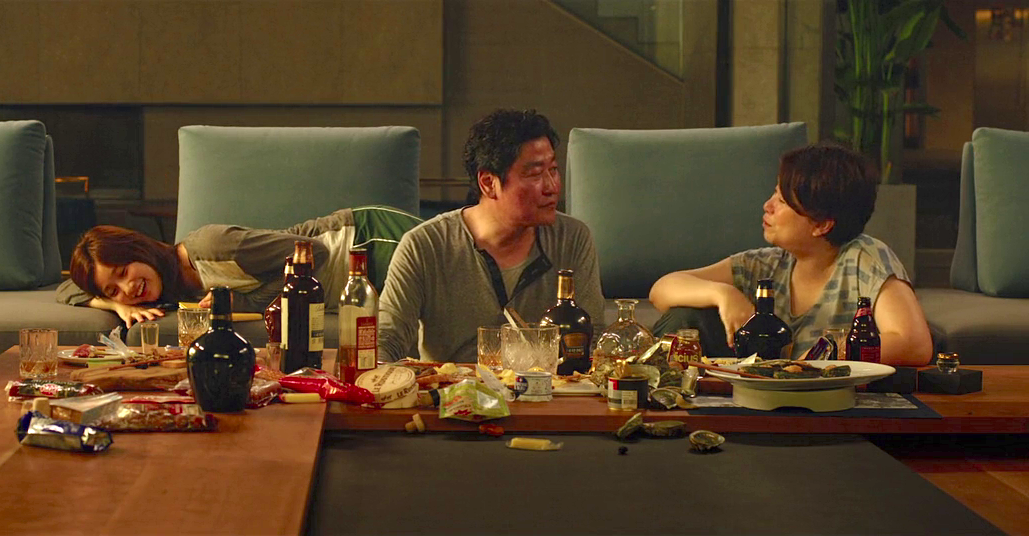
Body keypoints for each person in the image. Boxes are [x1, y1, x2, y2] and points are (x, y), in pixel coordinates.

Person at [647, 144, 932, 366]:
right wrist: (723, 294)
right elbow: (663, 289)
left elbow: (913, 343)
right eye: (774, 194)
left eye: (782, 201)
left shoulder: (865, 258)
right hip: (753, 393)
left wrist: (822, 356)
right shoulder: (766, 264)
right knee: (684, 317)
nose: (767, 206)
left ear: (821, 224)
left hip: (829, 399)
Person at [377, 109, 605, 363]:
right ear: (488, 183)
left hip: (548, 386)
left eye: (553, 170)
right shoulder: (424, 245)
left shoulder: (572, 238)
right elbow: (387, 340)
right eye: (535, 174)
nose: (551, 187)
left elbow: (593, 339)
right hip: (451, 385)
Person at [57, 206, 422, 326]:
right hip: (353, 289)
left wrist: (244, 303)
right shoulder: (170, 288)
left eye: (123, 273)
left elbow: (315, 253)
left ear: (140, 249)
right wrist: (117, 306)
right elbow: (66, 290)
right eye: (113, 288)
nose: (129, 288)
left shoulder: (212, 247)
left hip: (368, 245)